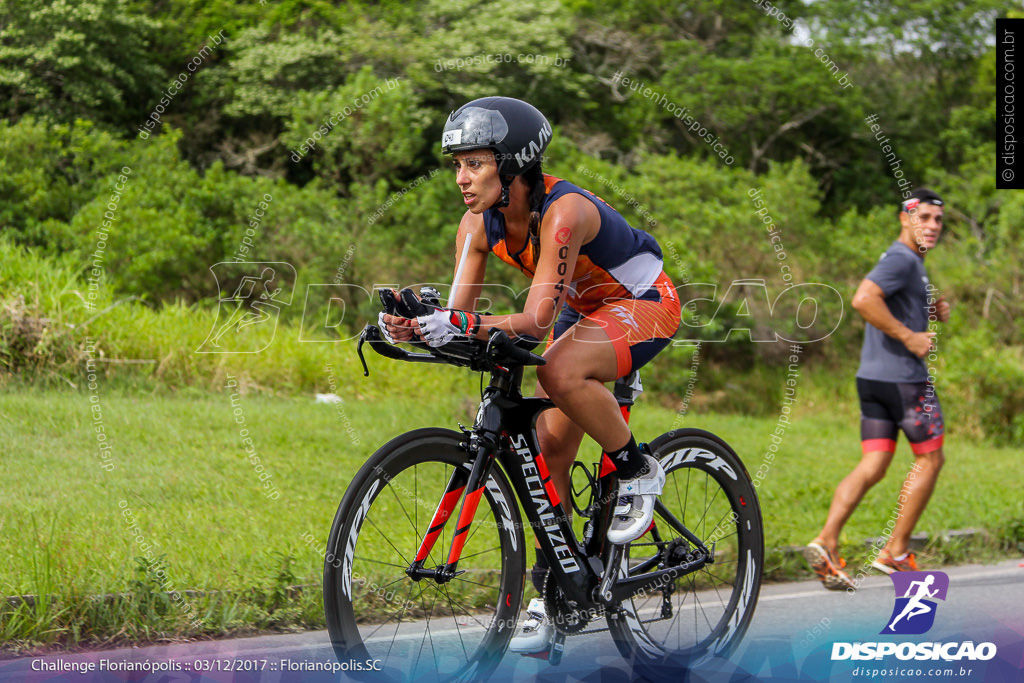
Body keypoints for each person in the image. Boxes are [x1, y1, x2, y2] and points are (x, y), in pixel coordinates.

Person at [377, 96, 681, 650]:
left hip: (641, 300)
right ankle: (554, 595)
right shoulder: (475, 225)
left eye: (475, 163)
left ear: (513, 163)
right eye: (457, 165)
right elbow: (460, 314)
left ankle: (638, 468)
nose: (461, 179)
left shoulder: (563, 211)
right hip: (582, 308)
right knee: (547, 451)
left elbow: (536, 321)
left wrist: (458, 322)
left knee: (561, 372)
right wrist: (419, 326)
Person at [804, 188, 949, 590]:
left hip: (873, 379)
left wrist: (931, 309)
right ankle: (896, 552)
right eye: (924, 217)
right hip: (904, 380)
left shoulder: (910, 261)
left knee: (874, 465)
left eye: (939, 219)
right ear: (905, 218)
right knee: (931, 459)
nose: (933, 226)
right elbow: (864, 298)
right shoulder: (903, 259)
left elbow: (893, 299)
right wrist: (909, 337)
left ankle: (827, 541)